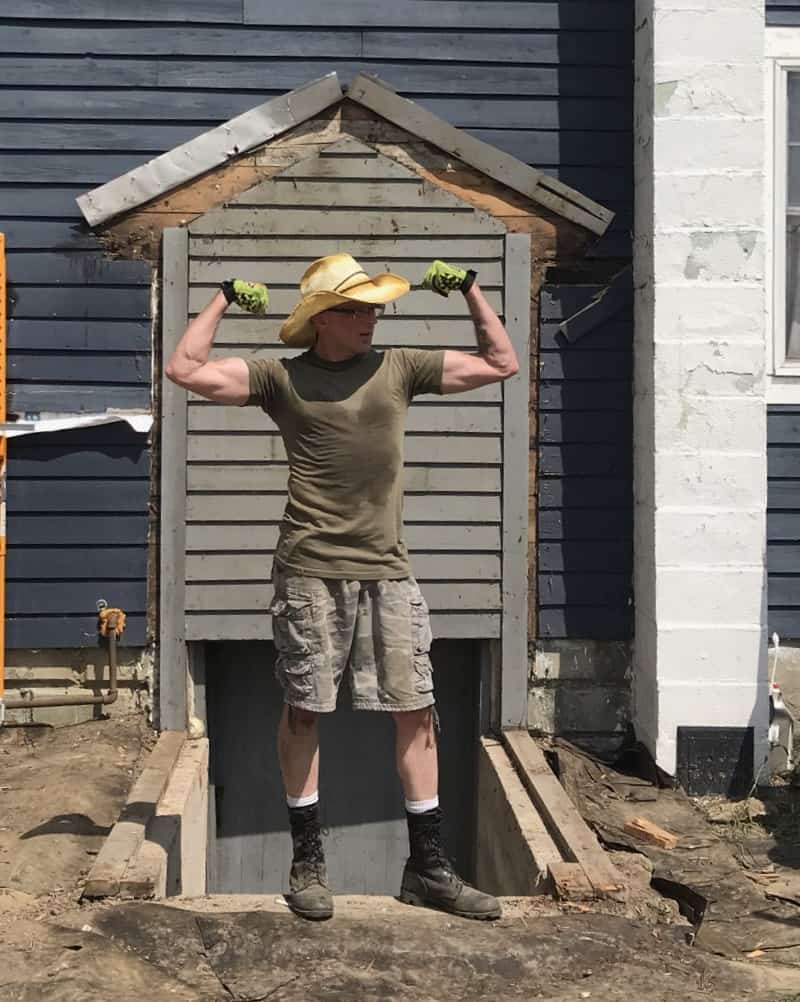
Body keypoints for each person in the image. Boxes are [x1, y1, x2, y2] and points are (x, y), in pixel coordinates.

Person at [165, 253, 519, 922]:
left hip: (388, 570)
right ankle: (308, 863)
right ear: (322, 319)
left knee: (415, 710)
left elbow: (502, 362)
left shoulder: (401, 368)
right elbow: (183, 368)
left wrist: (473, 290)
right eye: (356, 308)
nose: (371, 318)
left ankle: (430, 869)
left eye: (374, 306)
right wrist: (218, 296)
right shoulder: (280, 378)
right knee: (305, 710)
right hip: (309, 569)